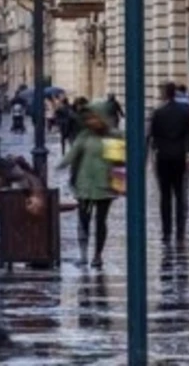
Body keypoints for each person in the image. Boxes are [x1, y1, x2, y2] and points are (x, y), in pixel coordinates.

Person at [61, 103, 122, 269]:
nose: (90, 121)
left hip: (104, 187)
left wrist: (118, 185)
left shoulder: (113, 136)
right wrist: (61, 165)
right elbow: (72, 155)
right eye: (88, 119)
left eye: (93, 118)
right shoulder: (84, 136)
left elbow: (118, 163)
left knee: (101, 221)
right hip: (84, 186)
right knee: (83, 220)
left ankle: (97, 255)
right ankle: (83, 254)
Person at [148, 82, 189, 246]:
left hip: (163, 157)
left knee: (165, 196)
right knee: (180, 195)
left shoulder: (158, 113)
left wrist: (152, 153)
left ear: (164, 94)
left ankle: (166, 231)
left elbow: (151, 136)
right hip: (179, 156)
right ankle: (180, 231)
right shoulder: (184, 112)